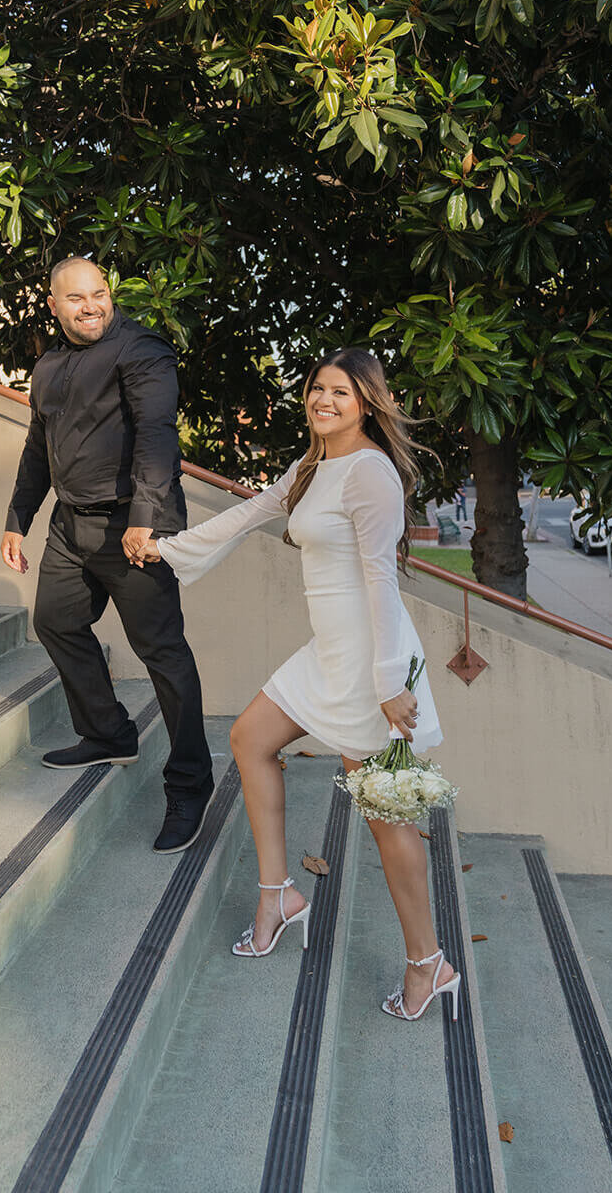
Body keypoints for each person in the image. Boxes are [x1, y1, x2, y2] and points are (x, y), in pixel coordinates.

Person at [141, 348, 460, 1020]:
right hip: (327, 651)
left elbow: (379, 578)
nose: (323, 400)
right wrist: (166, 549)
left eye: (340, 392)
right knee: (250, 739)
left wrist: (383, 683)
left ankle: (427, 963)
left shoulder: (369, 473)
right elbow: (250, 511)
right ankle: (277, 895)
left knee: (386, 820)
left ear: (366, 402)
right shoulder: (314, 464)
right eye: (317, 388)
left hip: (367, 660)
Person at [0, 257, 214, 853]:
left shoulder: (141, 350)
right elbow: (37, 449)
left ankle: (192, 783)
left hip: (134, 525)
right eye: (76, 297)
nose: (91, 305)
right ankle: (108, 733)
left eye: (99, 294)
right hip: (73, 526)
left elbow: (156, 433)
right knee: (55, 622)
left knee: (162, 654)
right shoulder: (47, 367)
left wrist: (145, 519)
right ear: (54, 304)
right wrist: (19, 519)